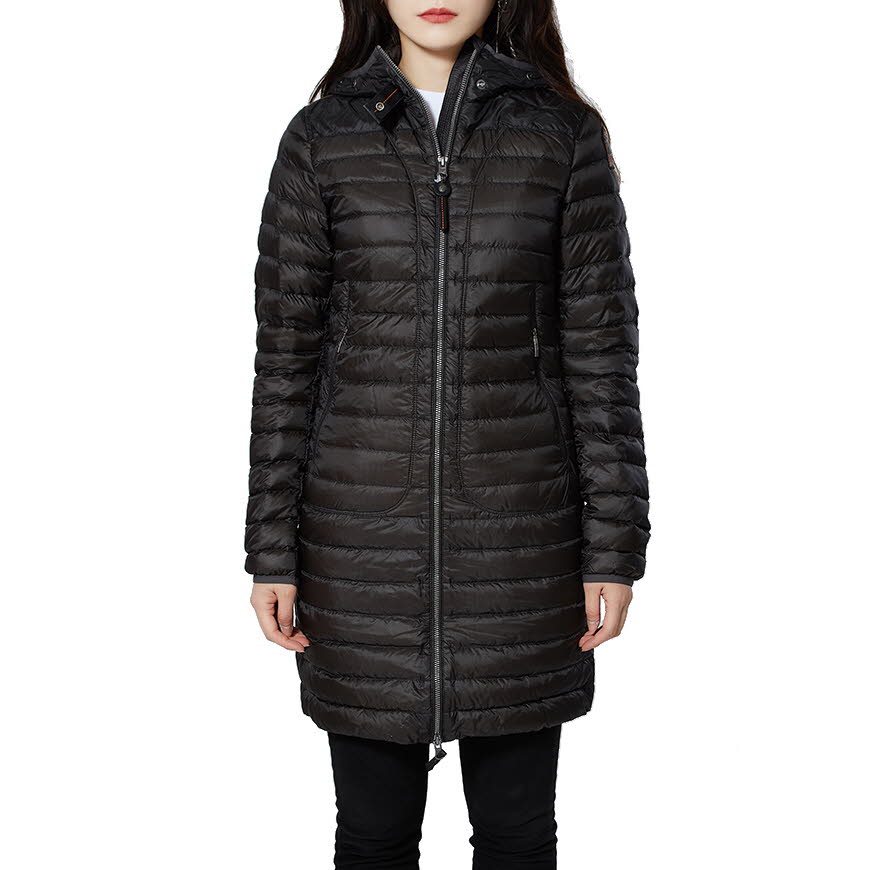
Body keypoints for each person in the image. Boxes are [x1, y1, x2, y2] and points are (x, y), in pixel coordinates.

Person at [245, 1, 650, 867]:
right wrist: (271, 551)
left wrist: (614, 549)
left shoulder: (562, 136)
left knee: (515, 836)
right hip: (358, 552)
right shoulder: (320, 139)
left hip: (522, 549)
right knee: (373, 838)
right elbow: (285, 363)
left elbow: (602, 358)